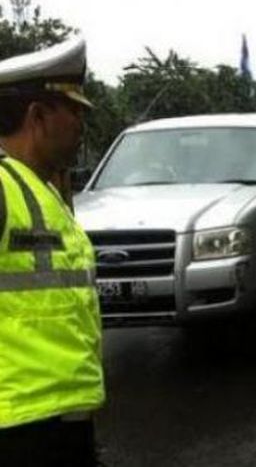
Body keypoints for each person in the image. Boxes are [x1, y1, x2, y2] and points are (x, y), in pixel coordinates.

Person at [0, 38, 105, 466]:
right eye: (74, 110)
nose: (82, 124)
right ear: (38, 116)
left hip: (57, 423)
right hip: (19, 432)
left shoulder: (39, 188)